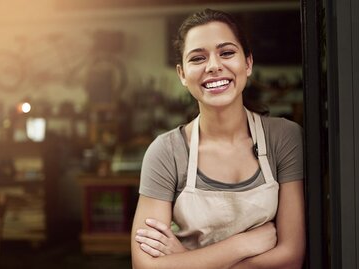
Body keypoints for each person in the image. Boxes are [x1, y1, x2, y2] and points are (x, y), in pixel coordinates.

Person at [131, 8, 305, 269]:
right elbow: (144, 265)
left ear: (248, 63)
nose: (213, 66)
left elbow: (291, 258)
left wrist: (185, 260)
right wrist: (243, 244)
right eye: (198, 58)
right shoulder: (166, 152)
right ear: (181, 74)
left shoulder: (283, 138)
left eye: (226, 53)